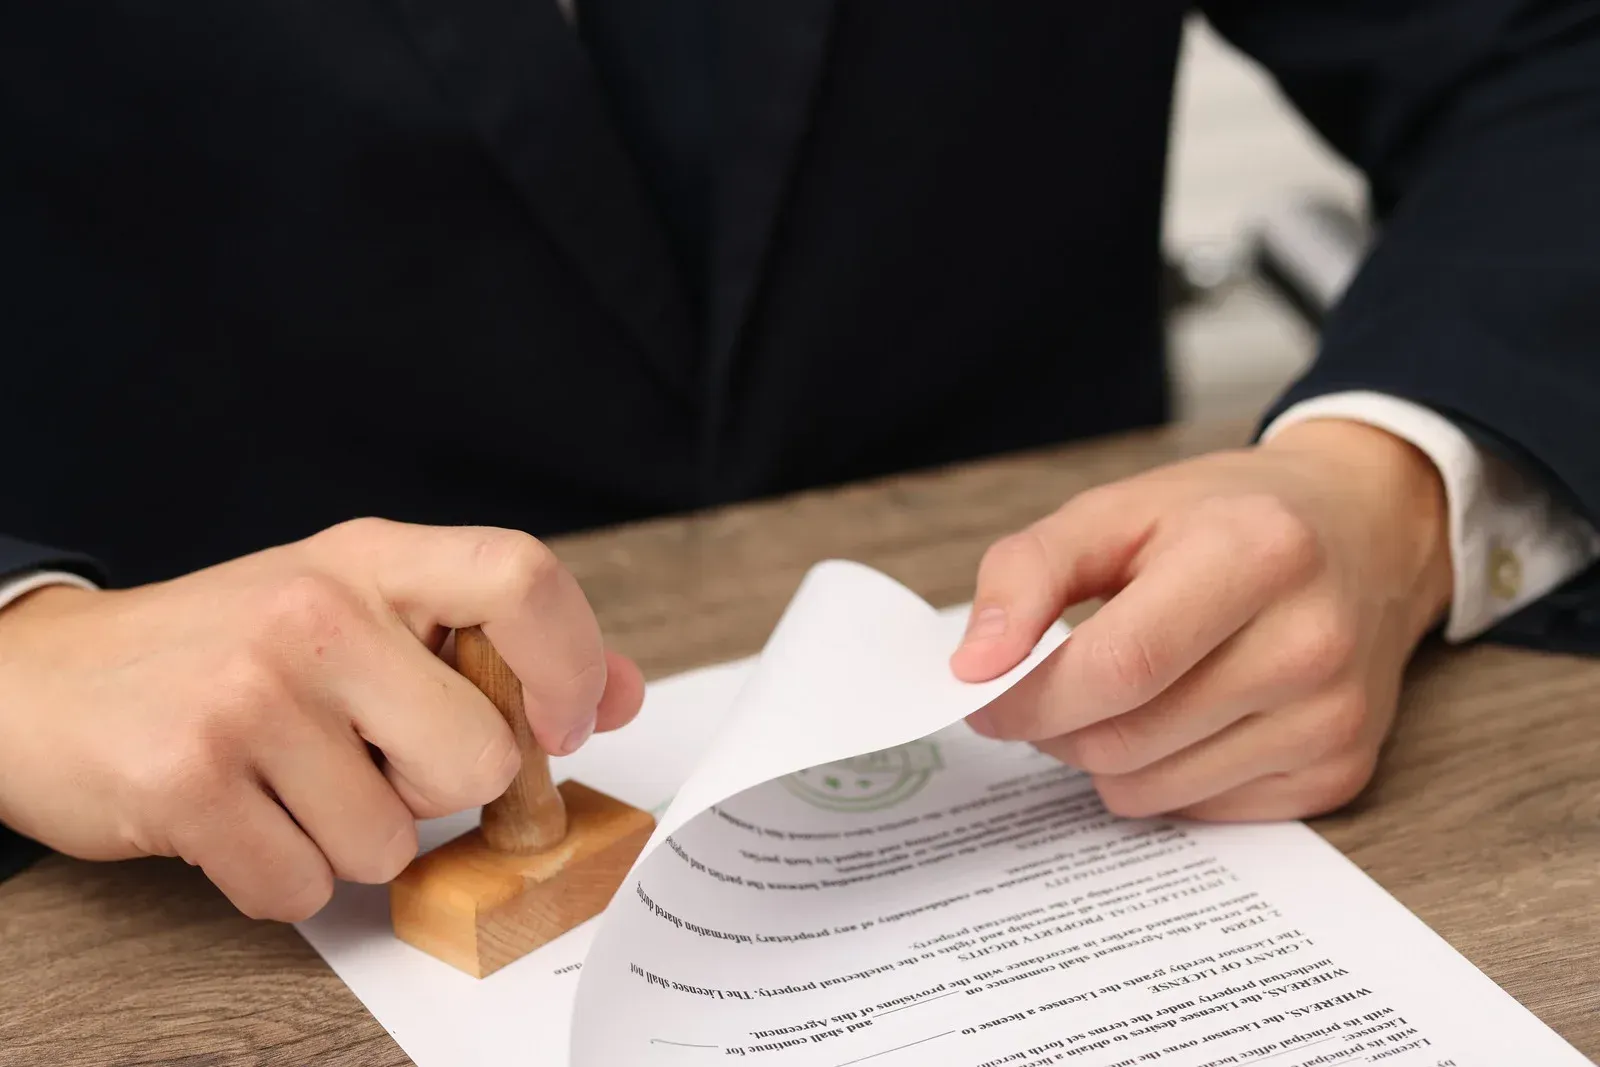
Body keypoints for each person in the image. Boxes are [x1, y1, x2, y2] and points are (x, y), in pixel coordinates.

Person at [1, 1, 1597, 924]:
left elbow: (1553, 55)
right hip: (173, 886)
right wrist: (24, 651)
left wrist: (1388, 488)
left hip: (1104, 750)